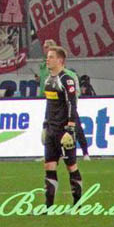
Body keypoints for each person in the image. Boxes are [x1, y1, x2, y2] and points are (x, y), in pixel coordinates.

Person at [42, 46, 83, 209]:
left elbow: (72, 104)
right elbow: (49, 105)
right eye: (48, 57)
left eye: (51, 57)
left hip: (64, 131)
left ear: (60, 60)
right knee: (49, 166)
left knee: (71, 166)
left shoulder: (66, 80)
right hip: (51, 130)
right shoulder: (48, 80)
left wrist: (70, 129)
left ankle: (78, 205)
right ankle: (48, 207)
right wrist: (45, 126)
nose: (47, 59)